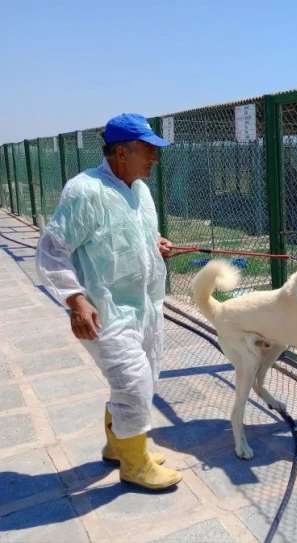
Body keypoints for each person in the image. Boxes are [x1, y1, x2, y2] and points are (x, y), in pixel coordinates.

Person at [36, 113, 182, 491]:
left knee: (144, 377)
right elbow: (53, 250)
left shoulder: (140, 190)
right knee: (133, 382)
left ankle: (120, 446)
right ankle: (135, 465)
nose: (155, 160)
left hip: (146, 307)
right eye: (149, 151)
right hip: (107, 312)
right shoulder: (85, 191)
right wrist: (76, 301)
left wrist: (157, 245)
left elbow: (136, 234)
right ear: (122, 152)